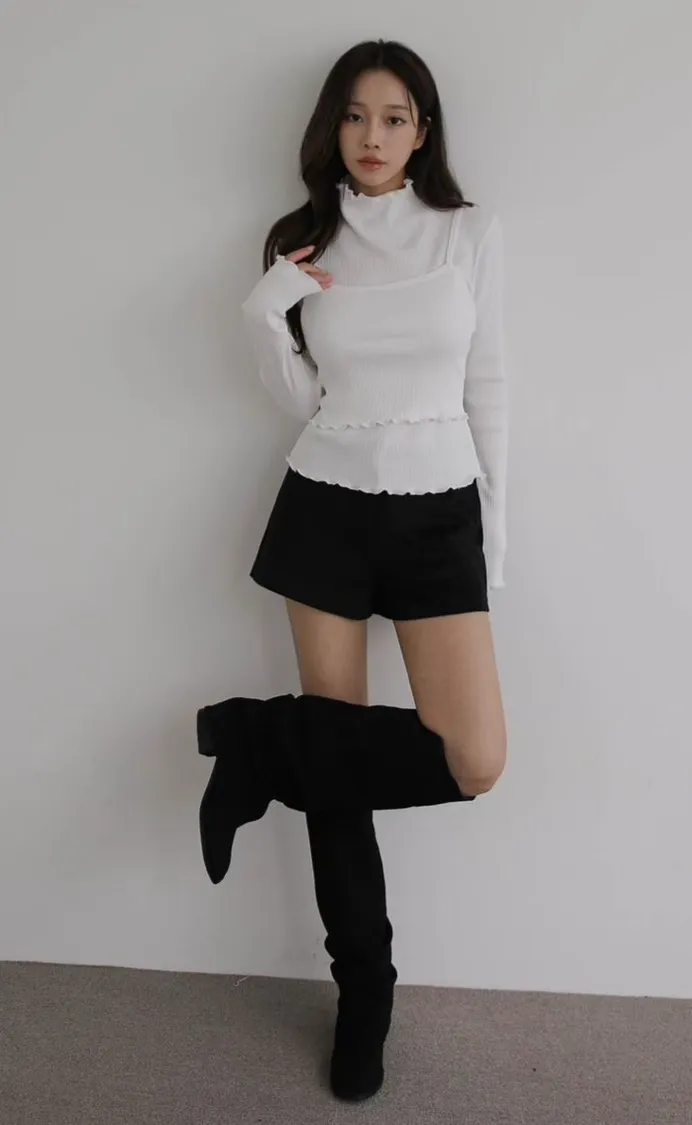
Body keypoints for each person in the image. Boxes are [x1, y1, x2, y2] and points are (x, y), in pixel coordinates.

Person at [196, 38, 509, 1103]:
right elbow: (309, 399)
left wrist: (493, 541)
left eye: (395, 116)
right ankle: (363, 994)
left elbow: (490, 388)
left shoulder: (469, 235)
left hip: (439, 511)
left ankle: (255, 742)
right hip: (326, 503)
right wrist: (263, 310)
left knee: (475, 756)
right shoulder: (303, 241)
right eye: (355, 115)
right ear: (332, 126)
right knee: (339, 768)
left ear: (423, 131)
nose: (373, 137)